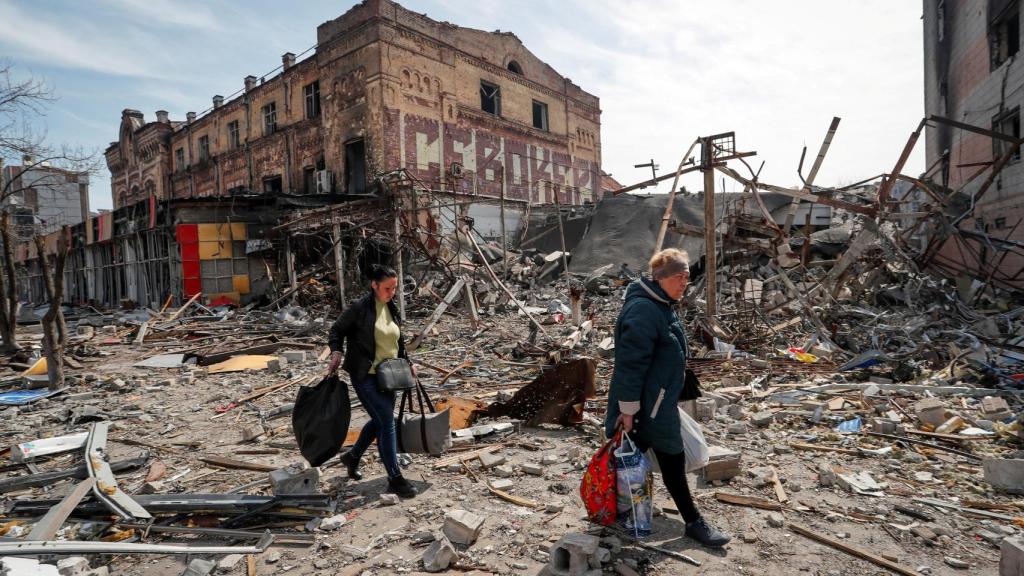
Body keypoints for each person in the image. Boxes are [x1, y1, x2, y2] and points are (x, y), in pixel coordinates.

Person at [604, 248, 731, 547]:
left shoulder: (661, 305)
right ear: (661, 277)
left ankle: (621, 511)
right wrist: (628, 410)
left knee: (631, 458)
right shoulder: (644, 310)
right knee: (670, 457)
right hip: (647, 406)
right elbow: (630, 365)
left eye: (687, 277)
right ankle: (693, 521)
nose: (684, 282)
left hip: (656, 401)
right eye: (679, 276)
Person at [327, 264, 417, 498]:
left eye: (395, 288)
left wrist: (408, 362)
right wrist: (336, 351)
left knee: (380, 421)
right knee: (386, 422)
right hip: (365, 375)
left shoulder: (391, 307)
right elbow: (336, 330)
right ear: (374, 285)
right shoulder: (359, 308)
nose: (392, 293)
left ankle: (352, 456)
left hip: (390, 376)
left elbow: (398, 341)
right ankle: (395, 478)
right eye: (387, 288)